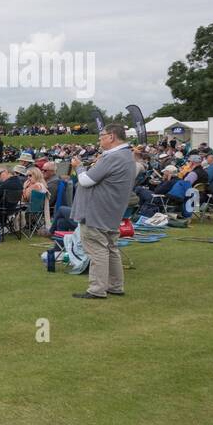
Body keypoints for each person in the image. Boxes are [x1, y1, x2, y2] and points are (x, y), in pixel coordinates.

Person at [69, 122, 137, 300]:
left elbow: (85, 181)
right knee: (111, 248)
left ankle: (97, 289)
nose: (99, 139)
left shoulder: (113, 157)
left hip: (96, 212)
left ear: (112, 136)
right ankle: (115, 286)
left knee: (97, 249)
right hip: (111, 211)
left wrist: (78, 166)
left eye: (102, 136)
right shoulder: (126, 155)